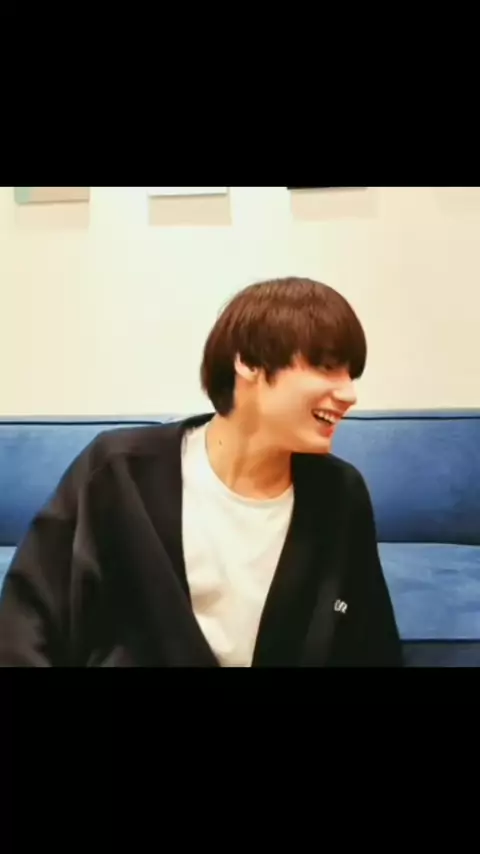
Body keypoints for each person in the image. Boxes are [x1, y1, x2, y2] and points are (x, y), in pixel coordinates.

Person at [0, 277, 403, 667]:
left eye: (351, 375)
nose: (349, 393)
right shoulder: (118, 471)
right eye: (328, 367)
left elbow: (370, 646)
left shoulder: (338, 494)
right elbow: (26, 622)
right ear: (248, 362)